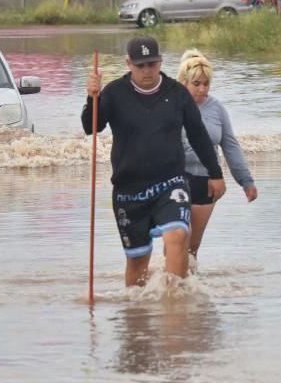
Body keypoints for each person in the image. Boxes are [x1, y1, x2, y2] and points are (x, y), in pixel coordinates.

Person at [82, 36, 226, 287]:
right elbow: (90, 126)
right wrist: (92, 97)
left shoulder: (177, 93)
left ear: (161, 62)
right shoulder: (114, 93)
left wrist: (215, 173)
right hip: (129, 190)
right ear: (128, 63)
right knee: (137, 264)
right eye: (141, 65)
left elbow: (198, 135)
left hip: (170, 182)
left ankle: (176, 303)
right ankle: (136, 314)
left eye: (152, 64)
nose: (147, 70)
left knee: (178, 235)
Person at [177, 49, 258, 261]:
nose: (202, 89)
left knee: (192, 247)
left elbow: (230, 145)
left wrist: (245, 180)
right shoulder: (171, 106)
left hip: (206, 181)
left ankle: (189, 290)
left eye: (206, 84)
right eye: (197, 84)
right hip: (176, 180)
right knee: (177, 242)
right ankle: (164, 287)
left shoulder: (217, 109)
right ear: (184, 81)